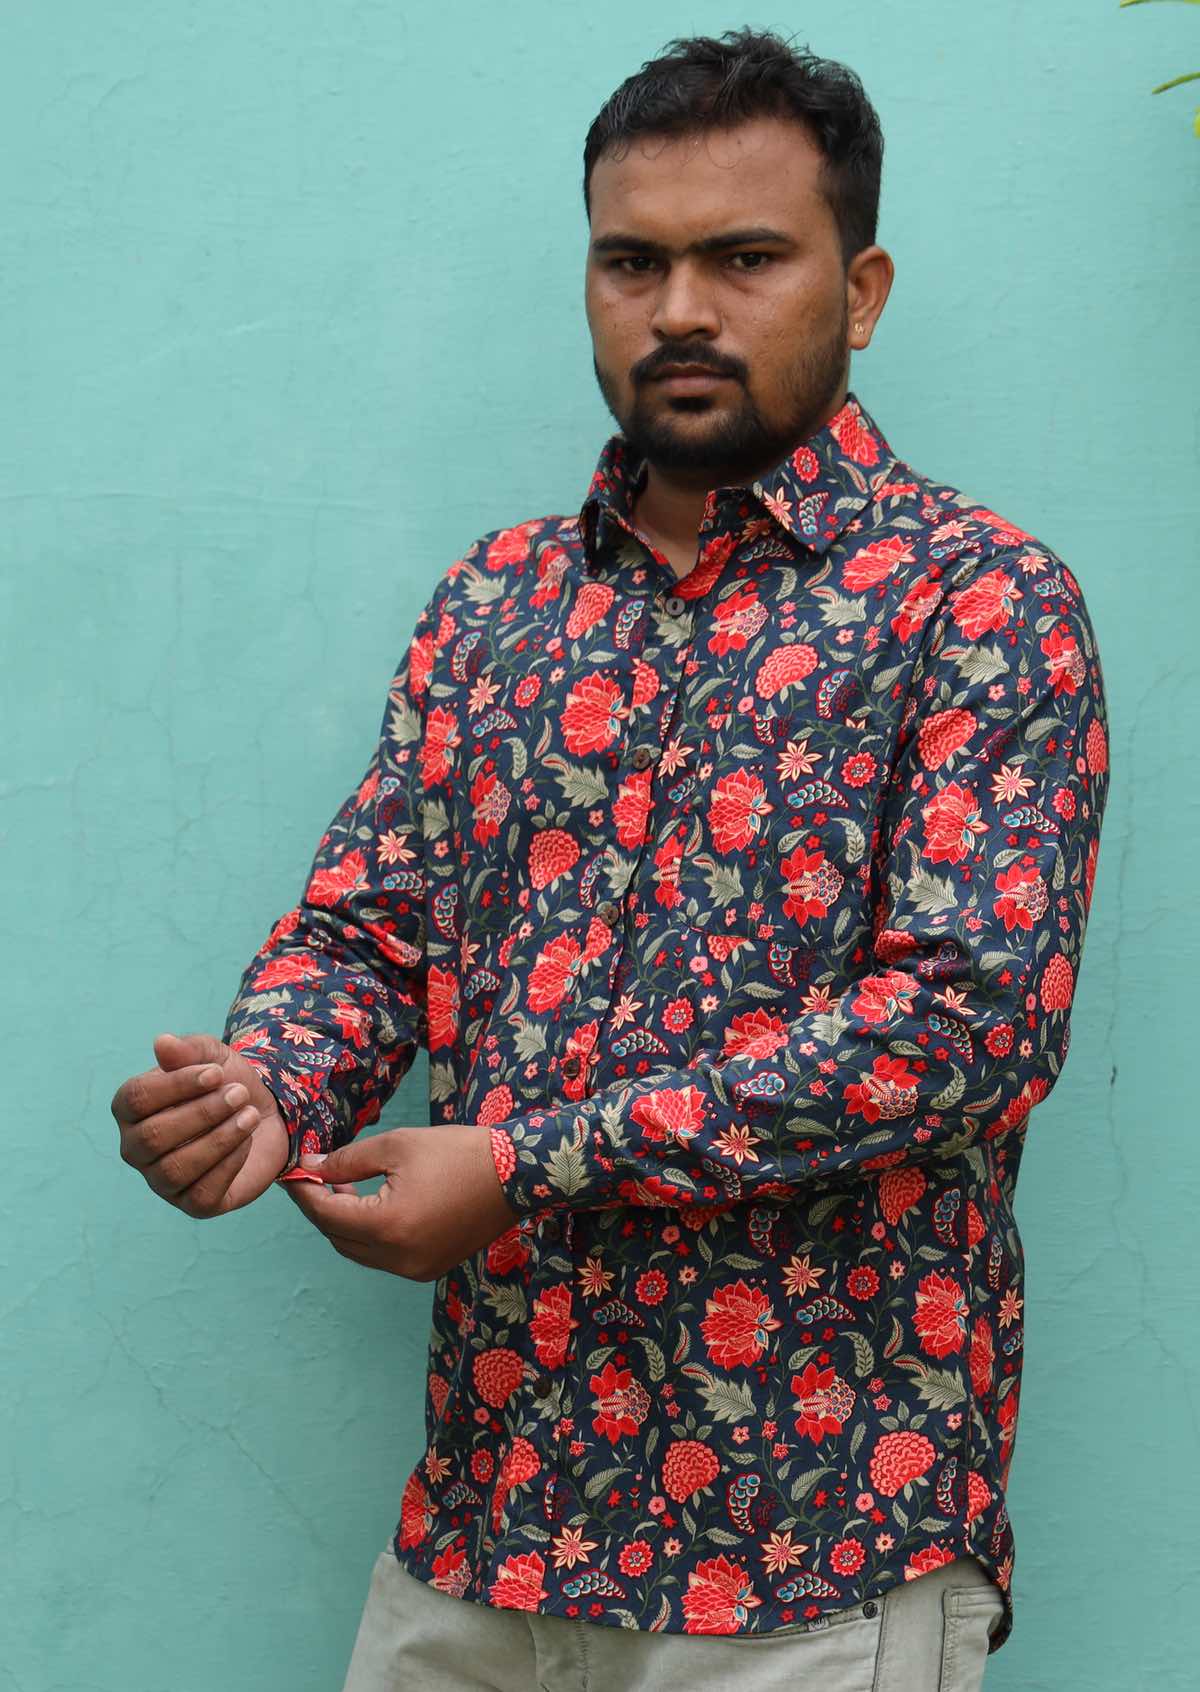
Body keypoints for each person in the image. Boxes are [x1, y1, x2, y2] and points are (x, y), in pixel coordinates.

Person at [111, 27, 1110, 1692]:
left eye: (745, 257)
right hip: (484, 1527)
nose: (682, 309)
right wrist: (269, 1088)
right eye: (633, 260)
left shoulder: (979, 603)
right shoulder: (492, 604)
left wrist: (524, 1162)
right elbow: (371, 931)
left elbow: (968, 1030)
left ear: (859, 289)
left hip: (815, 1560)